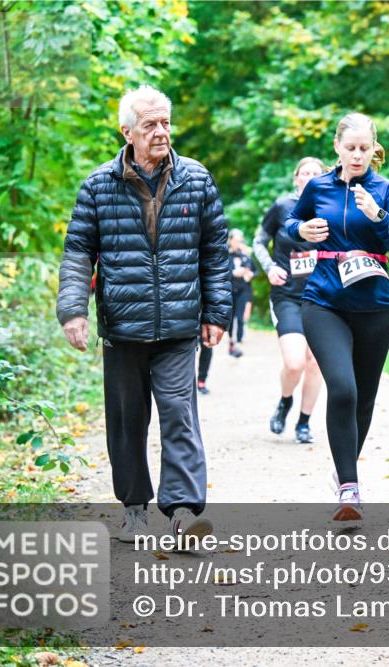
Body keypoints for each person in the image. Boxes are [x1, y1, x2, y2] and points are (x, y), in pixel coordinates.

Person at [56, 85, 231, 544]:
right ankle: (134, 509)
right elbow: (78, 253)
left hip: (178, 325)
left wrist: (217, 312)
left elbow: (214, 252)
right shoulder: (98, 185)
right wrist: (73, 310)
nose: (161, 132)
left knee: (180, 416)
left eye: (165, 123)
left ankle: (184, 513)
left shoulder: (196, 179)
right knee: (127, 422)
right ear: (127, 131)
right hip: (123, 328)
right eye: (150, 124)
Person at [286, 113, 389, 526]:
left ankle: (343, 467)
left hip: (374, 306)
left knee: (365, 398)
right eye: (350, 148)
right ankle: (349, 489)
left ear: (374, 149)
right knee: (343, 387)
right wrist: (302, 230)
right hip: (324, 303)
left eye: (364, 148)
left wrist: (379, 217)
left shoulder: (386, 191)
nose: (357, 155)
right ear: (336, 147)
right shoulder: (318, 186)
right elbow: (290, 223)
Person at [253, 157, 326, 444]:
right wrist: (270, 267)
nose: (309, 177)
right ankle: (285, 401)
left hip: (321, 297)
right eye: (304, 173)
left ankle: (304, 423)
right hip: (287, 295)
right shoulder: (282, 206)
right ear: (296, 178)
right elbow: (259, 241)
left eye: (316, 173)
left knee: (315, 363)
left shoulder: (331, 208)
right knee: (295, 362)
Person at [227, 228, 256, 358]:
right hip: (230, 290)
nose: (238, 243)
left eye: (240, 240)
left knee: (240, 317)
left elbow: (255, 270)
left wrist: (250, 274)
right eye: (236, 240)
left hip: (243, 290)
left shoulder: (245, 255)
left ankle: (238, 342)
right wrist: (233, 273)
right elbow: (220, 273)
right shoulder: (225, 255)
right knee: (230, 318)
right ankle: (230, 340)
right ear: (230, 240)